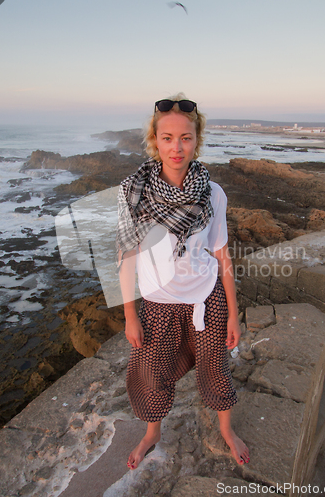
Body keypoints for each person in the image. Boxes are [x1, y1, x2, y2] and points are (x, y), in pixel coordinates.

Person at [116, 94, 249, 470]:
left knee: (214, 369)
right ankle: (152, 433)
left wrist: (233, 316)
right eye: (168, 137)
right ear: (155, 141)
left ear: (197, 140)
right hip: (158, 303)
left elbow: (223, 259)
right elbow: (126, 261)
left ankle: (226, 430)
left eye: (186, 137)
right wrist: (130, 315)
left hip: (207, 301)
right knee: (152, 373)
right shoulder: (134, 194)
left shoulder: (213, 194)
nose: (177, 147)